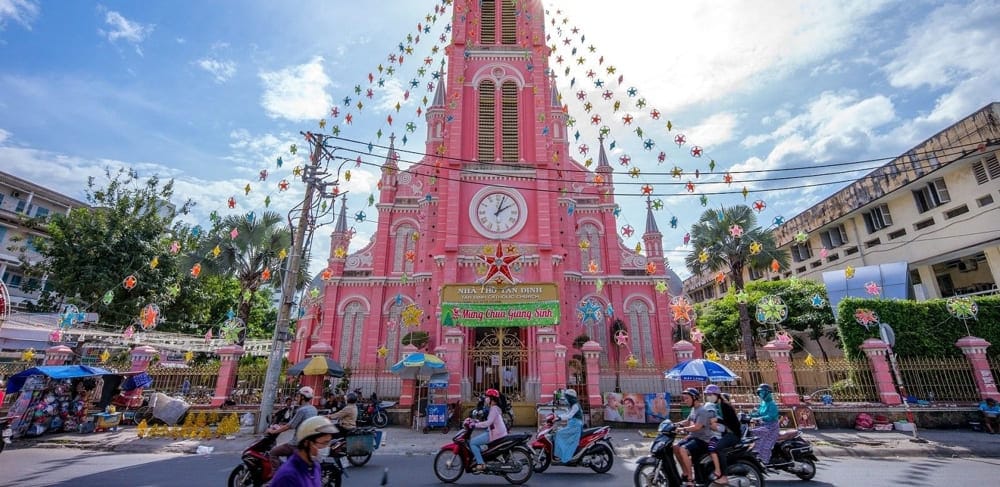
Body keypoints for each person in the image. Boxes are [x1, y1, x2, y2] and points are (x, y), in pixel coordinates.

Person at [270, 415, 338, 487]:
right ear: (306, 443)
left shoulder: (315, 466)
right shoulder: (288, 476)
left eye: (328, 443)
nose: (326, 447)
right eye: (324, 443)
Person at [268, 386, 318, 471]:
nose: (296, 398)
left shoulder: (302, 410)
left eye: (298, 396)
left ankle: (277, 476)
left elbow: (290, 426)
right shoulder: (314, 409)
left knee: (273, 452)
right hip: (308, 442)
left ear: (302, 397)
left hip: (296, 444)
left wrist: (274, 432)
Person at [673, 388, 714, 487]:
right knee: (675, 447)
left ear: (694, 398)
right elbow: (687, 421)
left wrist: (683, 429)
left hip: (703, 440)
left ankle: (690, 479)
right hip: (694, 437)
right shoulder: (693, 409)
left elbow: (697, 427)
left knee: (683, 450)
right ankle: (685, 472)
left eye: (687, 398)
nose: (685, 401)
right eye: (684, 399)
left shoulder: (702, 411)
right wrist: (674, 424)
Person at [703, 384, 741, 486]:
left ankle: (724, 476)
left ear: (716, 395)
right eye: (707, 394)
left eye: (710, 394)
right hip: (726, 433)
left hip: (733, 434)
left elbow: (730, 422)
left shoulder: (725, 406)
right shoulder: (717, 406)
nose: (708, 396)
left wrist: (717, 420)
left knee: (717, 447)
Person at [468, 388, 509, 472]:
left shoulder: (494, 409)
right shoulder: (495, 408)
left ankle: (481, 464)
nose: (486, 399)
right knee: (480, 444)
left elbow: (488, 423)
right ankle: (482, 457)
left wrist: (475, 425)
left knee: (472, 442)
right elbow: (489, 422)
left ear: (492, 399)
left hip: (495, 434)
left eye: (488, 397)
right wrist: (477, 421)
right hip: (496, 432)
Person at [750, 383, 780, 465]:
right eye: (760, 392)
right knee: (753, 434)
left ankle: (765, 462)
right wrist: (749, 415)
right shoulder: (763, 403)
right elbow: (759, 413)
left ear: (768, 393)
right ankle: (756, 458)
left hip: (772, 428)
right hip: (764, 426)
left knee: (766, 446)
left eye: (762, 392)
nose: (761, 394)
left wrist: (760, 418)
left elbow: (771, 416)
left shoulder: (772, 404)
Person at [554, 388, 584, 463]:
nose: (566, 399)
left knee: (559, 433)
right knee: (559, 432)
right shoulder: (573, 405)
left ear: (570, 398)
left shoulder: (575, 406)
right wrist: (557, 416)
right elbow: (567, 414)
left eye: (567, 397)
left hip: (575, 426)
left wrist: (560, 417)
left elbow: (570, 416)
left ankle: (561, 455)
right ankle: (561, 453)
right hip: (573, 424)